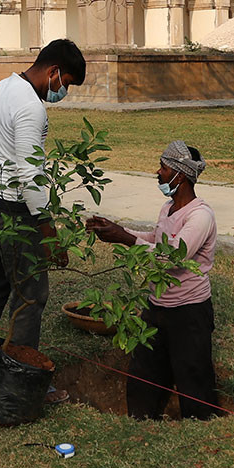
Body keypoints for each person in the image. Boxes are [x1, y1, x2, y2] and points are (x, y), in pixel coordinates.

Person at [0, 39, 86, 389]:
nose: (63, 92)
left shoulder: (1, 88)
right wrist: (48, 230)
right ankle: (20, 378)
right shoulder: (31, 107)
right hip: (12, 211)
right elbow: (30, 173)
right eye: (66, 83)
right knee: (31, 293)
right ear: (54, 71)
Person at [89, 141, 220, 420]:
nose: (158, 173)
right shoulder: (169, 207)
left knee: (192, 374)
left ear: (180, 175)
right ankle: (141, 419)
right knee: (144, 373)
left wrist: (123, 238)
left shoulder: (200, 216)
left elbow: (172, 257)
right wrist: (117, 229)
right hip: (156, 305)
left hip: (188, 311)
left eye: (163, 167)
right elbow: (155, 240)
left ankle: (199, 424)